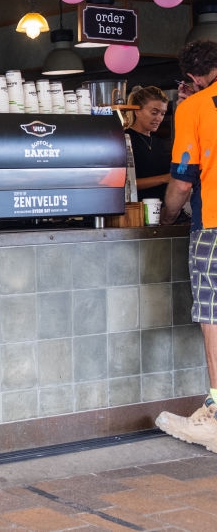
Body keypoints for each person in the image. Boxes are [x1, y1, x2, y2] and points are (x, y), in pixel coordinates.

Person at [155, 39, 217, 447]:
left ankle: (215, 409)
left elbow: (181, 181)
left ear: (192, 78)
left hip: (212, 224)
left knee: (213, 310)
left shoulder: (193, 108)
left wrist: (169, 215)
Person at [123, 85, 171, 201]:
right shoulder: (124, 139)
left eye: (162, 113)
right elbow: (124, 184)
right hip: (135, 211)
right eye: (154, 113)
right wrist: (163, 179)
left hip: (161, 210)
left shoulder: (159, 143)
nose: (159, 118)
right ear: (137, 111)